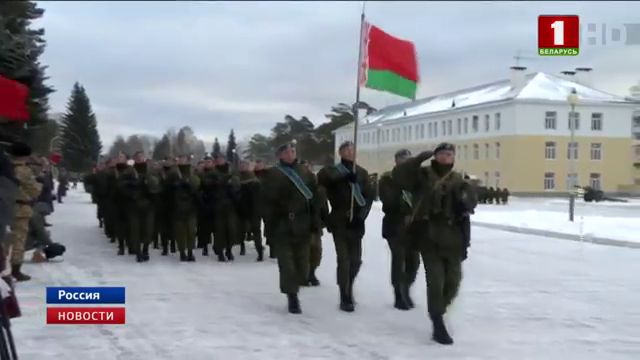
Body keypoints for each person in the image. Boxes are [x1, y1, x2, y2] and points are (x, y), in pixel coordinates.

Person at [393, 142, 477, 345]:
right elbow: (399, 177)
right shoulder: (422, 175)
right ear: (436, 156)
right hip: (429, 237)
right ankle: (437, 323)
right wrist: (417, 159)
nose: (446, 157)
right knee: (436, 282)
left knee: (453, 283)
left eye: (450, 154)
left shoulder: (459, 179)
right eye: (442, 154)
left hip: (453, 239)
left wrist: (467, 200)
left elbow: (470, 206)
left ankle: (439, 309)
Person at [317, 141, 375, 312]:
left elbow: (369, 197)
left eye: (352, 150)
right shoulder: (331, 170)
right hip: (339, 220)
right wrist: (343, 178)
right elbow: (322, 183)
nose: (350, 152)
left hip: (356, 221)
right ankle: (345, 295)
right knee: (344, 259)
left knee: (356, 261)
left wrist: (361, 216)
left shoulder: (362, 173)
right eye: (347, 150)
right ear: (340, 153)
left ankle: (349, 285)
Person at [262, 142, 319, 313]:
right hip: (282, 224)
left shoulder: (305, 172)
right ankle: (292, 297)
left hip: (303, 224)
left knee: (303, 264)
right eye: (286, 151)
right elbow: (266, 202)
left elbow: (314, 197)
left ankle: (296, 285)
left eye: (292, 151)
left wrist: (315, 222)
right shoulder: (273, 173)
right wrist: (270, 227)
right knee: (287, 264)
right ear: (280, 155)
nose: (290, 154)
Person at [379, 149, 420, 310]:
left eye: (409, 160)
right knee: (399, 259)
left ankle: (406, 288)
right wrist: (406, 211)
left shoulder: (417, 179)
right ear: (396, 162)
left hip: (414, 227)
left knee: (414, 262)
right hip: (394, 224)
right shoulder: (387, 179)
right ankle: (398, 294)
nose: (406, 163)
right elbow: (389, 200)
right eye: (403, 160)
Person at [6, 142, 42, 281]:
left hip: (5, 207)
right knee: (18, 240)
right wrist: (40, 183)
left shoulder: (5, 167)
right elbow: (34, 190)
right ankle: (15, 270)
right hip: (21, 209)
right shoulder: (25, 170)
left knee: (4, 240)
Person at [118, 151, 161, 262]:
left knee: (148, 230)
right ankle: (138, 252)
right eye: (138, 157)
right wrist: (131, 186)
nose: (140, 159)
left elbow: (159, 184)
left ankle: (145, 248)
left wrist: (149, 183)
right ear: (134, 159)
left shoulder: (151, 171)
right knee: (135, 230)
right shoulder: (129, 171)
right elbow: (120, 185)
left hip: (149, 204)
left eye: (142, 157)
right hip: (134, 205)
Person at [167, 154, 201, 261]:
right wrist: (175, 185)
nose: (182, 161)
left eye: (184, 159)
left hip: (191, 207)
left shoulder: (192, 172)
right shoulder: (173, 173)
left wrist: (190, 184)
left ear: (187, 161)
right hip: (177, 207)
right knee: (180, 232)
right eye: (180, 159)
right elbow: (167, 188)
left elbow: (198, 186)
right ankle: (182, 252)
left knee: (191, 231)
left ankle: (190, 252)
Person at [301, 160, 328, 286]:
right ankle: (303, 275)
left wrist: (326, 220)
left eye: (308, 166)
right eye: (304, 167)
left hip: (315, 224)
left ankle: (312, 272)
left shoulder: (319, 187)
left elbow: (324, 206)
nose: (307, 169)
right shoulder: (296, 185)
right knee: (303, 251)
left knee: (316, 251)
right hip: (300, 224)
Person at [211, 154, 241, 262]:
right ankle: (220, 252)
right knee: (220, 230)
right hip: (218, 205)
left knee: (231, 229)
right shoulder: (213, 172)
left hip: (230, 205)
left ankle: (229, 249)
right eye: (218, 159)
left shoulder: (231, 171)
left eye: (221, 159)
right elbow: (207, 184)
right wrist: (217, 183)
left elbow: (237, 184)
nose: (220, 161)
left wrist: (232, 185)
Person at [237, 160, 263, 261]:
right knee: (242, 230)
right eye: (241, 165)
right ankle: (242, 247)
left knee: (256, 231)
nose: (243, 167)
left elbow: (258, 195)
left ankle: (259, 251)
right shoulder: (237, 177)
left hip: (254, 209)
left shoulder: (254, 179)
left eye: (245, 165)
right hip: (242, 209)